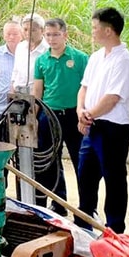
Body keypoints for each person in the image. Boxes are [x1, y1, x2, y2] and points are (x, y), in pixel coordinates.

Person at [76, 7, 129, 234]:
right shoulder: (96, 57)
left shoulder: (124, 61)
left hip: (113, 128)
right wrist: (81, 110)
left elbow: (112, 98)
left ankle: (114, 228)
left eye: (95, 28)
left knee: (114, 179)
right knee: (85, 175)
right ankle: (84, 221)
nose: (92, 32)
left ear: (109, 30)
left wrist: (88, 115)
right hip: (92, 124)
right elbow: (84, 87)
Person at [32, 18, 89, 213]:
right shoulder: (41, 60)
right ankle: (58, 202)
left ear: (65, 34)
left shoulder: (80, 58)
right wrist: (34, 117)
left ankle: (86, 206)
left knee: (81, 161)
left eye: (55, 34)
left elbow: (88, 87)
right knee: (50, 163)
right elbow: (37, 91)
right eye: (48, 34)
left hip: (74, 115)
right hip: (48, 116)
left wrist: (85, 114)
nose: (51, 38)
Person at [0, 18, 22, 139]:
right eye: (8, 34)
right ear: (4, 35)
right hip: (1, 106)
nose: (11, 37)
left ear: (22, 35)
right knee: (1, 142)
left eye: (15, 34)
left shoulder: (27, 54)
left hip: (23, 106)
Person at [11, 13, 48, 94]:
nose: (28, 33)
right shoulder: (20, 47)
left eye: (33, 30)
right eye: (25, 29)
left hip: (37, 95)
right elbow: (15, 71)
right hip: (18, 94)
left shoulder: (47, 50)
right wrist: (12, 89)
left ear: (42, 30)